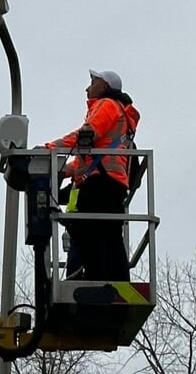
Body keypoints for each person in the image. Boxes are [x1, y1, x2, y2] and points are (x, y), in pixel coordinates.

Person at [44, 69, 140, 281]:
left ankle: (93, 279)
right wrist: (62, 169)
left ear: (104, 86)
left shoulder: (106, 106)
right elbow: (84, 159)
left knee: (89, 233)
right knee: (110, 237)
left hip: (100, 183)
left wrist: (48, 148)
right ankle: (117, 281)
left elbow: (86, 135)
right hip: (111, 183)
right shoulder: (118, 111)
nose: (88, 87)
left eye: (93, 82)